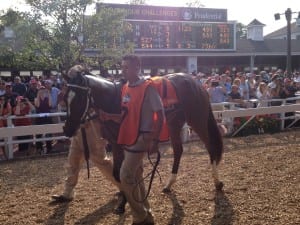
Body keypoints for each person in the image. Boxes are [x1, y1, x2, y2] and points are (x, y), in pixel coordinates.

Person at [116, 54, 164, 225]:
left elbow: (160, 113)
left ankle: (140, 217)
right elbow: (126, 114)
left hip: (142, 137)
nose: (123, 70)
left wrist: (155, 140)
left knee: (125, 174)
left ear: (137, 67)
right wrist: (108, 116)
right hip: (129, 136)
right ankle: (147, 215)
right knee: (135, 176)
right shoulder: (126, 87)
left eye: (126, 67)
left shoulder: (147, 87)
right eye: (122, 66)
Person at [34, 86, 53, 153]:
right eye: (40, 90)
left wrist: (49, 94)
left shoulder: (47, 98)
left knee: (48, 133)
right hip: (39, 118)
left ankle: (49, 148)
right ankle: (39, 148)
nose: (42, 91)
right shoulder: (36, 99)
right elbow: (38, 105)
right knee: (39, 134)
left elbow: (50, 105)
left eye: (43, 89)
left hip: (47, 117)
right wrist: (38, 95)